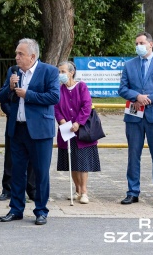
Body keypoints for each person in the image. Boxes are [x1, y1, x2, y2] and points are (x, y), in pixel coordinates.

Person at [0, 38, 59, 225]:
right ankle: (16, 209)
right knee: (17, 172)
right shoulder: (13, 72)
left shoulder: (49, 71)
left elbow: (54, 96)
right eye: (16, 53)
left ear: (32, 56)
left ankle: (41, 210)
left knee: (40, 172)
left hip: (40, 131)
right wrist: (9, 87)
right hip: (17, 130)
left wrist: (28, 95)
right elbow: (1, 97)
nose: (16, 57)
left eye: (20, 54)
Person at [118, 31, 153, 207]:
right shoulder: (129, 65)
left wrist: (147, 98)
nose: (138, 46)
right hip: (134, 117)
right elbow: (122, 89)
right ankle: (132, 192)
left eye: (141, 43)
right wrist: (136, 96)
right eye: (136, 44)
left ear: (151, 44)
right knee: (133, 156)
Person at [54, 61, 101, 204]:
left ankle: (84, 191)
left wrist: (78, 123)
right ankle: (77, 190)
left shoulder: (81, 86)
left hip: (81, 130)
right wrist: (61, 121)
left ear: (71, 72)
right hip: (66, 130)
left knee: (83, 162)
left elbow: (87, 106)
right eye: (59, 72)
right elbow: (55, 107)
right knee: (71, 161)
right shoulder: (59, 89)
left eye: (63, 71)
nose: (60, 74)